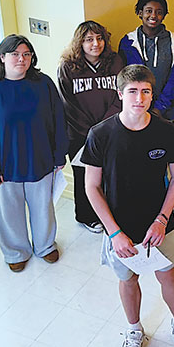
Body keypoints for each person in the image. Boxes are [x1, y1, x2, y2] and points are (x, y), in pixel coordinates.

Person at [81, 64, 174, 347]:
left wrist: (162, 219)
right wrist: (114, 233)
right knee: (128, 278)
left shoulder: (166, 131)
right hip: (120, 227)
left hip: (158, 223)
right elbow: (91, 187)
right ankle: (134, 330)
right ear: (120, 94)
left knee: (167, 274)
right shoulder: (100, 135)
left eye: (146, 91)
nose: (139, 98)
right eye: (132, 92)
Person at [0, 34, 67, 273]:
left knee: (43, 208)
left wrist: (59, 155)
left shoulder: (43, 83)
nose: (21, 59)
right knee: (8, 213)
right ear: (2, 58)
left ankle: (45, 246)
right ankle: (16, 251)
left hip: (40, 160)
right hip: (4, 168)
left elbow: (59, 120)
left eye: (26, 54)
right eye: (14, 54)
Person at [57, 20, 125, 233]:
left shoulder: (115, 62)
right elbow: (68, 105)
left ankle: (109, 214)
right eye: (88, 40)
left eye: (99, 38)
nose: (95, 44)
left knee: (111, 173)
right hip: (79, 135)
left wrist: (105, 128)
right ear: (80, 43)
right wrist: (91, 132)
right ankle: (85, 216)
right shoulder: (67, 68)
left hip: (111, 131)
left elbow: (120, 95)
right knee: (84, 176)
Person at [119, 0, 174, 119]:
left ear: (164, 15)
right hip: (136, 107)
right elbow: (125, 79)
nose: (154, 15)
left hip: (167, 109)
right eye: (148, 11)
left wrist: (159, 108)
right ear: (140, 13)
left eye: (159, 12)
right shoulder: (128, 42)